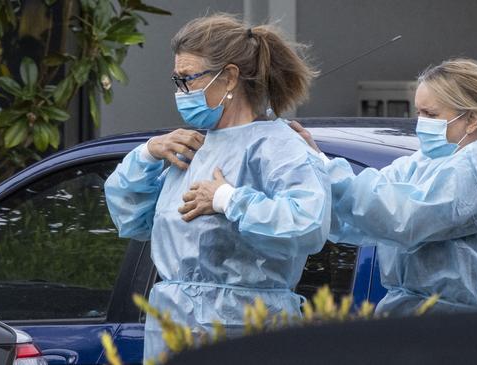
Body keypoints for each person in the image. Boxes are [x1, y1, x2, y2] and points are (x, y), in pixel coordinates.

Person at [104, 14, 330, 361]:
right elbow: (132, 221)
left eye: (188, 80)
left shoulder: (276, 147)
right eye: (176, 81)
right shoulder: (194, 147)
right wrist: (147, 155)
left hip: (247, 331)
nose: (180, 93)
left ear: (228, 77)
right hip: (171, 327)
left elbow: (308, 224)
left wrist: (229, 200)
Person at [291, 58, 477, 316]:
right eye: (419, 112)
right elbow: (366, 216)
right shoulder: (426, 162)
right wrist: (315, 172)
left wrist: (328, 169)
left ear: (471, 120)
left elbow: (404, 217)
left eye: (432, 115)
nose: (421, 123)